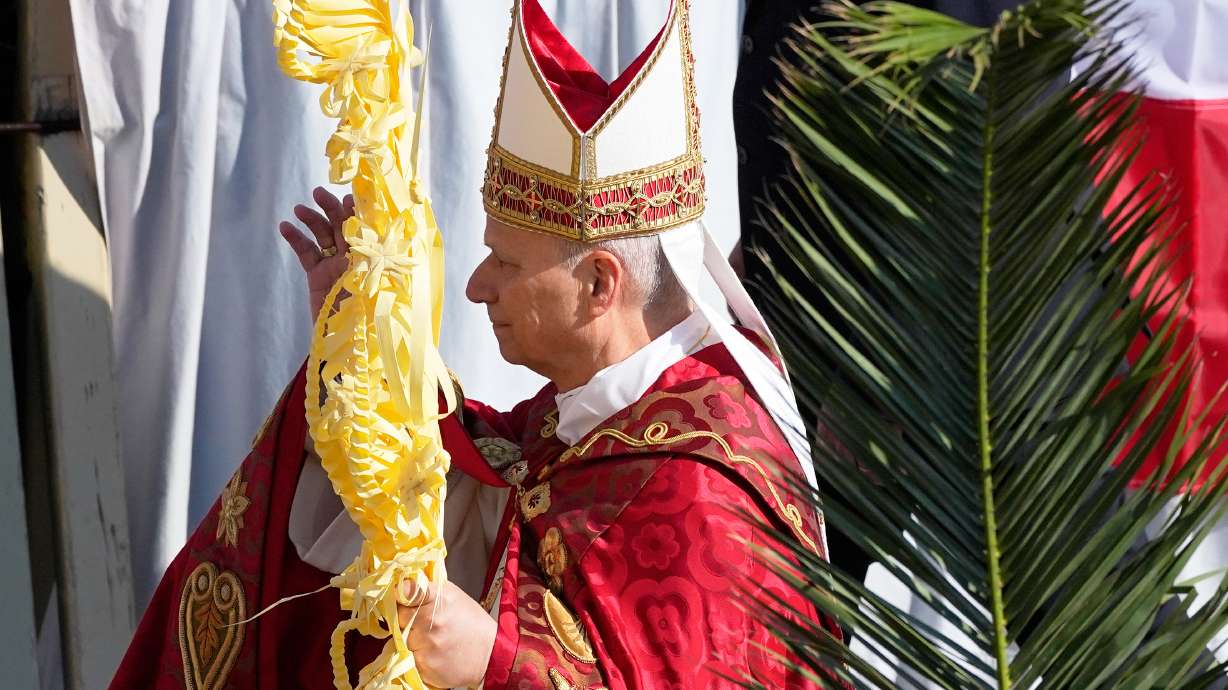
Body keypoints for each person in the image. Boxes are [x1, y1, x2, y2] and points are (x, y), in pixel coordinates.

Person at [108, 0, 843, 687]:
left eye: (508, 262)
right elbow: (488, 475)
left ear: (598, 286)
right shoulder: (613, 410)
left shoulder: (704, 497)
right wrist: (357, 347)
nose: (476, 286)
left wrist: (492, 663)